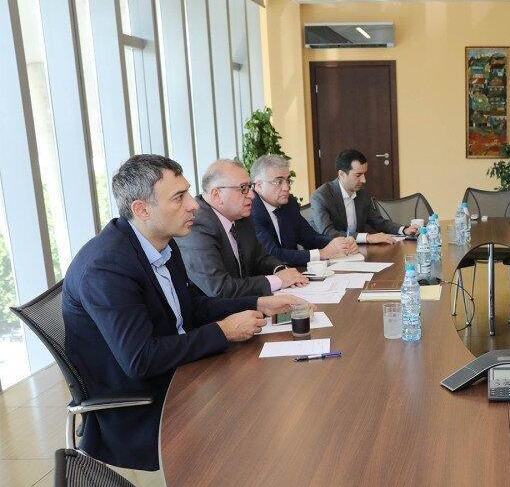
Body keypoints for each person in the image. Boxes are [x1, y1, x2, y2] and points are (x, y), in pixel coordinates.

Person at [62, 154, 306, 470]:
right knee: (261, 418)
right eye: (179, 197)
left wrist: (258, 303)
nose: (194, 205)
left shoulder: (161, 242)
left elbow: (194, 305)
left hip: (178, 369)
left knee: (274, 391)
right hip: (141, 403)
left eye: (188, 192)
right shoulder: (106, 267)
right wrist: (224, 331)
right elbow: (141, 359)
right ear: (142, 209)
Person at [175, 159, 308, 297]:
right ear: (217, 194)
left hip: (249, 304)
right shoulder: (196, 225)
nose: (252, 195)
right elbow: (220, 289)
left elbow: (260, 258)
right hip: (217, 309)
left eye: (249, 187)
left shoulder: (241, 216)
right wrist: (278, 280)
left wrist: (280, 269)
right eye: (243, 188)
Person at [249, 154, 358, 266]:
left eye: (287, 181)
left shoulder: (289, 204)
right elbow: (272, 254)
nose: (286, 188)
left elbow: (310, 237)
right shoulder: (251, 211)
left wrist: (341, 243)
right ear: (259, 185)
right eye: (278, 182)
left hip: (296, 271)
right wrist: (322, 253)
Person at [310, 149, 418, 243]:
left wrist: (403, 230)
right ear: (341, 174)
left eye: (364, 174)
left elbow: (377, 221)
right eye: (358, 175)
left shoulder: (361, 193)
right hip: (327, 251)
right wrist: (367, 237)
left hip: (355, 251)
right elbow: (328, 233)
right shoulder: (321, 196)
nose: (364, 180)